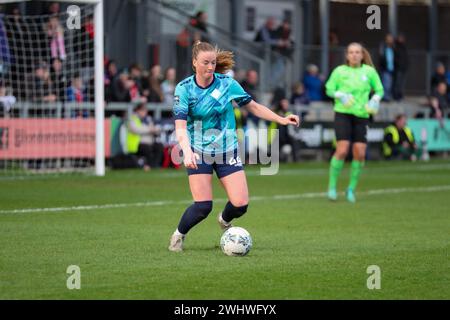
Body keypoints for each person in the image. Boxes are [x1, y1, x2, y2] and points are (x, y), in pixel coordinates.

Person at [168, 41, 299, 252]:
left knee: (240, 204)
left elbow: (254, 106)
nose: (210, 67)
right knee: (202, 207)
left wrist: (282, 119)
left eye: (213, 62)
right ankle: (178, 236)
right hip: (198, 151)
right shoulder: (184, 89)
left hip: (227, 149)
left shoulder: (227, 84)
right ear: (194, 63)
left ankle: (225, 219)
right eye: (205, 63)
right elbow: (180, 126)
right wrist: (188, 151)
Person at [325, 42, 384, 203]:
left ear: (362, 55)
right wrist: (340, 95)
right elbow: (328, 89)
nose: (354, 55)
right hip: (343, 114)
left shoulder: (369, 72)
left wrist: (375, 99)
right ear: (347, 55)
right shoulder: (340, 71)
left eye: (357, 52)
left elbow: (380, 89)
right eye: (351, 52)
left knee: (360, 153)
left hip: (361, 115)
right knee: (342, 150)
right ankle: (331, 187)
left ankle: (350, 189)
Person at [126, 103, 164, 171]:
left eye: (145, 110)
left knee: (159, 146)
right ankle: (148, 165)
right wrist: (150, 129)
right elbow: (136, 129)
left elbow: (155, 129)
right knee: (146, 148)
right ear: (137, 110)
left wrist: (155, 129)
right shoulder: (132, 119)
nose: (144, 112)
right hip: (137, 144)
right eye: (142, 110)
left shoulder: (148, 119)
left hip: (149, 142)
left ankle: (155, 165)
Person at [379, 34, 395, 101]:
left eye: (391, 39)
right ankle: (385, 97)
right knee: (386, 84)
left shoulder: (393, 48)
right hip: (385, 68)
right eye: (389, 39)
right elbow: (381, 58)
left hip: (392, 68)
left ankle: (387, 96)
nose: (390, 40)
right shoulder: (384, 47)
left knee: (390, 83)